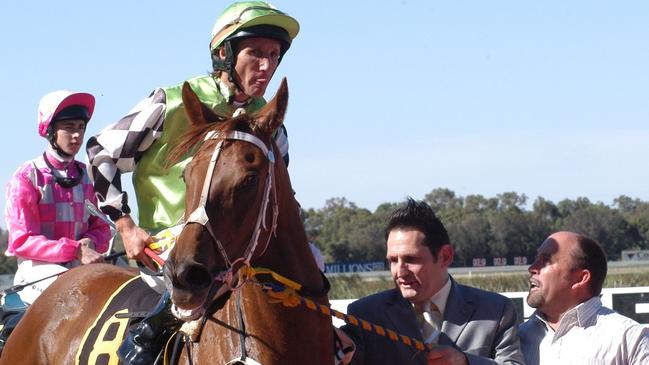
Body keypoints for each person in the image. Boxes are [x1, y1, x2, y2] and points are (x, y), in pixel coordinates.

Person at [85, 2, 300, 364]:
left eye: (274, 55)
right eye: (256, 53)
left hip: (240, 259)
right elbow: (101, 153)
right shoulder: (169, 102)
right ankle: (141, 348)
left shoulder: (270, 126)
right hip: (169, 250)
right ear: (223, 53)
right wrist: (125, 226)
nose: (266, 66)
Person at [340, 198, 525, 365]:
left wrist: (466, 362)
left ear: (445, 256)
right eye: (393, 260)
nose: (400, 271)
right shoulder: (365, 314)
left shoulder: (496, 310)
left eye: (411, 259)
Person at [1, 90, 111, 351]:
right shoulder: (27, 176)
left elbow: (103, 226)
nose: (76, 135)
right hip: (37, 271)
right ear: (49, 130)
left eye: (81, 127)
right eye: (68, 127)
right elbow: (21, 240)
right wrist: (75, 249)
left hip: (83, 265)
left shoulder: (88, 175)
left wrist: (90, 243)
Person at [519, 231, 649, 365]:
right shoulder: (515, 340)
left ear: (580, 278)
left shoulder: (630, 339)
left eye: (546, 261)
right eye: (536, 259)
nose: (532, 268)